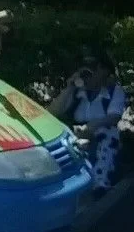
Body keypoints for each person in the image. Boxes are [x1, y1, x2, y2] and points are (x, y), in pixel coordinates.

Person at [55, 47, 128, 191]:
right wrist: (69, 88)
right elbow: (53, 112)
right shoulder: (77, 92)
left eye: (92, 72)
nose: (87, 77)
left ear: (104, 72)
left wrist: (91, 128)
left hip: (99, 136)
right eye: (84, 74)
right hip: (75, 135)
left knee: (109, 133)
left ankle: (100, 182)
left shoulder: (114, 91)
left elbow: (113, 118)